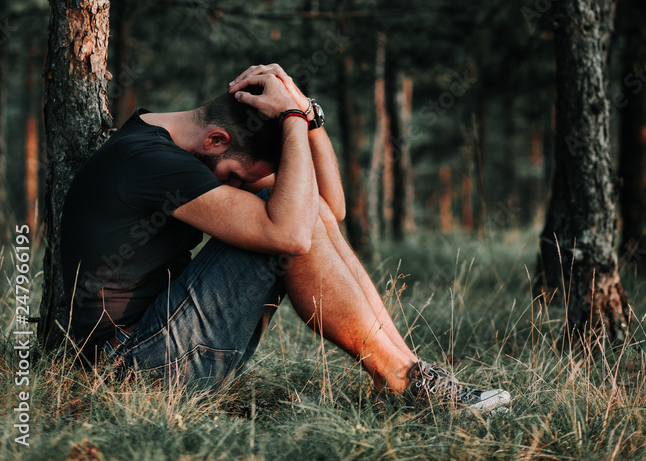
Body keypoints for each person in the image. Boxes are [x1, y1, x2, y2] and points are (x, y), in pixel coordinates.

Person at [60, 63, 510, 413]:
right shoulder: (147, 161)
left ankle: (408, 375)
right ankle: (405, 382)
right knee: (285, 221)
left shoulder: (179, 147)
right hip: (130, 367)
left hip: (160, 347)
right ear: (216, 139)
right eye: (237, 178)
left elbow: (327, 211)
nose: (236, 187)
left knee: (295, 208)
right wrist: (292, 116)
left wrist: (307, 117)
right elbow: (293, 234)